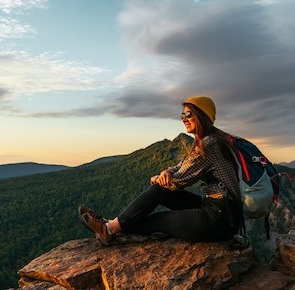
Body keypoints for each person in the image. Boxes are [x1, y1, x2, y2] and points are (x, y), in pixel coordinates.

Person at [79, 96, 242, 245]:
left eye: (188, 114)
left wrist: (160, 178)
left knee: (157, 217)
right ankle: (112, 225)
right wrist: (167, 172)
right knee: (159, 191)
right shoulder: (211, 140)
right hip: (217, 209)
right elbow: (182, 166)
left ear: (202, 115)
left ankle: (109, 229)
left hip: (218, 219)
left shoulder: (208, 144)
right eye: (182, 115)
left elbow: (179, 182)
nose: (184, 119)